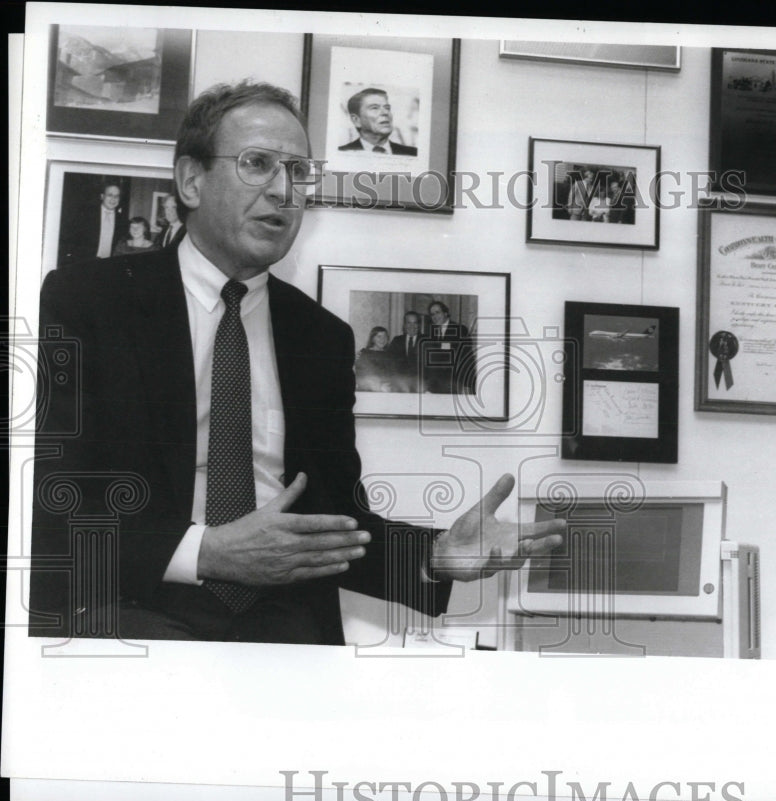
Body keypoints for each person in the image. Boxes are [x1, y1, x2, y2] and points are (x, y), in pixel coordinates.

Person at [30, 80, 562, 644]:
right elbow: (44, 500)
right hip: (130, 612)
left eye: (299, 173)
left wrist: (437, 555)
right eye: (258, 164)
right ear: (191, 180)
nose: (284, 191)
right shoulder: (86, 300)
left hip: (286, 624)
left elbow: (331, 523)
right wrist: (206, 553)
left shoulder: (322, 337)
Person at [59, 180, 128, 266]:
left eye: (117, 196)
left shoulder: (123, 220)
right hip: (84, 263)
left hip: (110, 265)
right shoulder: (86, 213)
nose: (113, 199)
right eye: (110, 195)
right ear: (102, 196)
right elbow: (70, 236)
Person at [338, 88, 418, 156]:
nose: (385, 113)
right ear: (356, 120)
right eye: (375, 108)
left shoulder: (412, 153)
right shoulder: (342, 153)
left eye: (387, 108)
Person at [425, 300, 476, 395]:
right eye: (432, 314)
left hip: (456, 385)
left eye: (437, 312)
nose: (435, 317)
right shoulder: (431, 333)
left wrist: (467, 385)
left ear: (446, 313)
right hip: (436, 386)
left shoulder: (460, 330)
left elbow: (468, 359)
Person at [388, 311, 425, 393]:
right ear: (404, 325)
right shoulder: (397, 340)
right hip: (400, 387)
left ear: (419, 325)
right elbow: (388, 361)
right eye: (409, 323)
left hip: (421, 388)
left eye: (415, 323)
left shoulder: (426, 341)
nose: (412, 326)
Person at [354, 326, 399, 392]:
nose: (382, 339)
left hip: (389, 391)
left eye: (385, 336)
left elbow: (394, 375)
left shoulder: (390, 355)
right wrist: (379, 387)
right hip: (370, 391)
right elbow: (362, 376)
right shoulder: (365, 353)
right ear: (372, 339)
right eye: (379, 336)